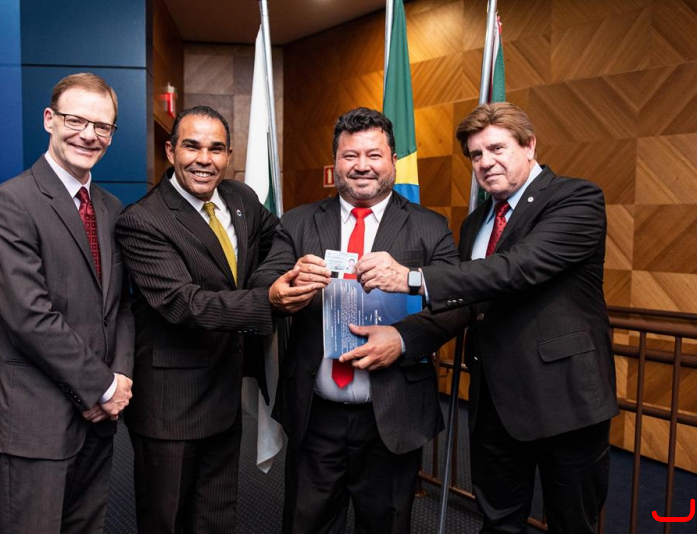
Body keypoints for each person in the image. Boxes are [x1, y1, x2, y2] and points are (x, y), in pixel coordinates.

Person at [355, 102, 619, 533]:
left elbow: (517, 268)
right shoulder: (478, 222)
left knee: (573, 524)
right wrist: (402, 337)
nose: (485, 162)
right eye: (476, 154)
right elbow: (467, 302)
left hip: (566, 401)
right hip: (495, 403)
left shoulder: (575, 198)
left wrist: (412, 278)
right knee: (498, 522)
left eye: (497, 148)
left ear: (529, 146)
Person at [250, 107, 462, 533]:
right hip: (315, 413)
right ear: (335, 163)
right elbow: (262, 281)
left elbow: (456, 302)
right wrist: (284, 287)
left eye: (373, 155)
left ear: (393, 160)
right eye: (350, 156)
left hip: (392, 412)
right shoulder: (299, 222)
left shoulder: (429, 226)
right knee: (305, 525)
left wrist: (402, 340)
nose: (362, 165)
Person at [116, 106, 309, 533]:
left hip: (224, 392)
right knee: (167, 521)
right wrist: (266, 300)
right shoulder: (142, 220)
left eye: (216, 149)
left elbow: (278, 240)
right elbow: (184, 303)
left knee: (217, 517)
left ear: (229, 155)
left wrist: (263, 280)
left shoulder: (241, 198)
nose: (204, 159)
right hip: (170, 405)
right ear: (171, 151)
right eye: (192, 146)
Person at [0, 72, 134, 533]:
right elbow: (29, 316)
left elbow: (121, 306)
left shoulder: (111, 208)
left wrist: (120, 378)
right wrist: (102, 387)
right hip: (34, 418)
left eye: (102, 126)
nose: (88, 135)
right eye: (75, 120)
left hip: (99, 417)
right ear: (49, 119)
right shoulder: (10, 202)